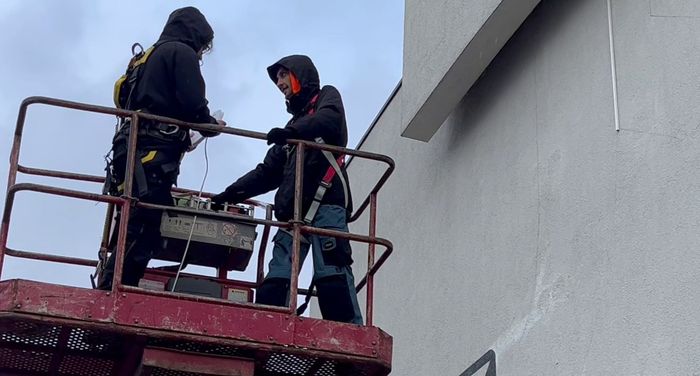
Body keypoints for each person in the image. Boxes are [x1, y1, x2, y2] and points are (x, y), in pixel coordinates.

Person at [212, 55, 362, 324]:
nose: (279, 82)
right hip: (292, 215)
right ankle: (268, 328)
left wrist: (290, 131)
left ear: (299, 75)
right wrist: (229, 194)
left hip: (325, 204)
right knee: (276, 280)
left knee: (332, 275)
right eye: (277, 78)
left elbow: (329, 120)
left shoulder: (325, 99)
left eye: (283, 75)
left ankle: (348, 334)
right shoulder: (290, 135)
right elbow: (266, 173)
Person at [97, 6, 223, 290]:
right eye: (203, 46)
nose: (202, 53)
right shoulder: (182, 53)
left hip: (128, 152)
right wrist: (210, 124)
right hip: (152, 156)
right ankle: (114, 292)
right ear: (196, 35)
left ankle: (110, 284)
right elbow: (193, 105)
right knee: (144, 230)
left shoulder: (145, 58)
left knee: (130, 222)